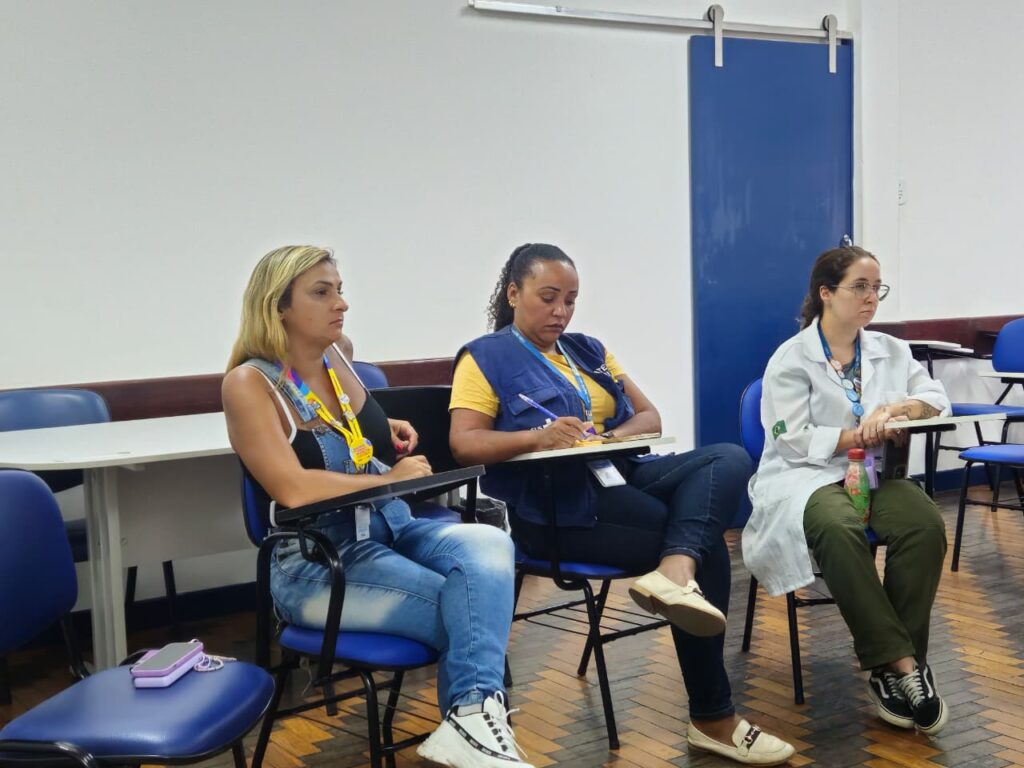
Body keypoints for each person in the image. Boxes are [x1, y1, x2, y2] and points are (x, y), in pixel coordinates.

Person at [448, 243, 795, 766]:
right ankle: (712, 717)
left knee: (727, 457)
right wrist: (537, 438)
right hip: (556, 507)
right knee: (703, 543)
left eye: (570, 300)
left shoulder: (587, 350)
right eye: (548, 298)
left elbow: (649, 418)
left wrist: (607, 436)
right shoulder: (484, 357)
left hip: (619, 474)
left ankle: (676, 572)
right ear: (514, 293)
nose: (561, 312)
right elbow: (464, 443)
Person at [223, 245, 532, 768]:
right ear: (278, 307)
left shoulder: (336, 356)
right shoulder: (249, 384)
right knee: (470, 612)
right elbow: (292, 487)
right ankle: (477, 723)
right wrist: (388, 478)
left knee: (491, 543)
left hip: (392, 524)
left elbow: (347, 428)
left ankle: (470, 724)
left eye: (340, 290)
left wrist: (383, 429)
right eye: (321, 293)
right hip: (320, 561)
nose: (340, 303)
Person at [744, 245, 951, 735]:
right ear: (825, 293)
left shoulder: (890, 350)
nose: (870, 298)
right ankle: (903, 665)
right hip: (805, 474)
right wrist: (857, 433)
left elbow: (936, 399)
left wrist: (897, 410)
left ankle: (890, 671)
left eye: (876, 288)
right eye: (859, 287)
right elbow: (790, 438)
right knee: (838, 529)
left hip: (872, 472)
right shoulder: (791, 358)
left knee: (924, 524)